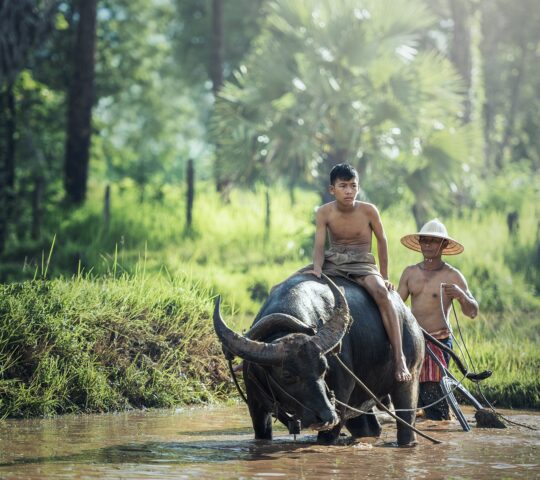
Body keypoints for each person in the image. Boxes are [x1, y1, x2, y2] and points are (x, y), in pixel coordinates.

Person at [307, 163, 411, 382]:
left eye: (353, 186)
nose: (349, 191)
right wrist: (317, 269)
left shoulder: (368, 210)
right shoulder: (324, 212)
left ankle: (399, 357)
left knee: (382, 294)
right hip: (334, 261)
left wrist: (384, 276)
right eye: (343, 186)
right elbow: (319, 245)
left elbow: (382, 242)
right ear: (331, 189)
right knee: (287, 285)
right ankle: (257, 352)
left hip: (362, 263)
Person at [397, 218, 478, 419]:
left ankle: (441, 422)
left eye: (432, 241)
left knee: (433, 392)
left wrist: (460, 294)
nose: (427, 245)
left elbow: (472, 312)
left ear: (444, 245)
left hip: (438, 341)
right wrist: (387, 292)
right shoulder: (410, 273)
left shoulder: (452, 276)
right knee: (410, 393)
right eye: (424, 240)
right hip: (413, 341)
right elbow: (397, 306)